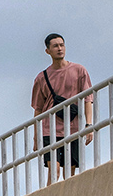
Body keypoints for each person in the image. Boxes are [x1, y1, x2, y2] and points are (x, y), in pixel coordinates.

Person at [31, 33, 93, 184]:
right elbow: (38, 109)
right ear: (48, 51)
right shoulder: (42, 77)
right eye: (55, 46)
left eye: (61, 45)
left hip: (72, 127)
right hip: (49, 128)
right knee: (54, 170)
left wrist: (89, 125)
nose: (59, 49)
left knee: (69, 172)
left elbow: (88, 99)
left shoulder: (79, 70)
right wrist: (36, 137)